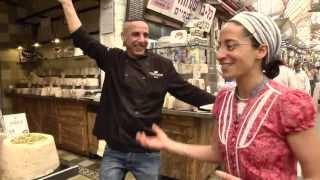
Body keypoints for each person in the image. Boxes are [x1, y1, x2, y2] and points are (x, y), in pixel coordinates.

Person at [136, 11, 320, 179]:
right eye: (219, 46)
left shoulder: (290, 104)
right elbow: (218, 152)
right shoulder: (224, 99)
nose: (220, 54)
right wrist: (169, 144)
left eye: (230, 46)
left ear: (261, 50)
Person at [57, 0, 214, 179]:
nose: (142, 40)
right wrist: (66, 3)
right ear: (124, 38)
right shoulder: (113, 58)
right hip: (115, 150)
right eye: (135, 35)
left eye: (145, 35)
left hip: (147, 152)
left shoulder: (163, 65)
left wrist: (224, 103)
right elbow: (81, 38)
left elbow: (189, 92)